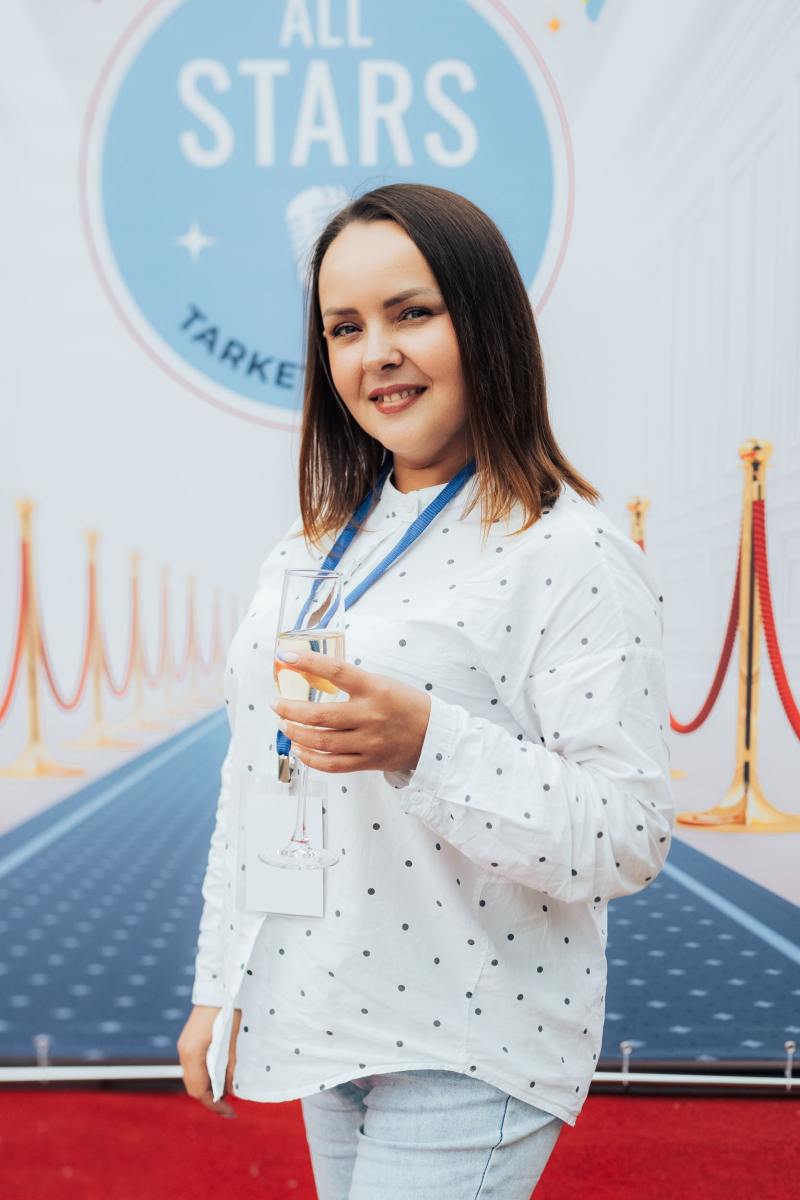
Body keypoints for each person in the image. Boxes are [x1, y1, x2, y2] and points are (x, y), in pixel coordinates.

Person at [177, 182, 675, 1198]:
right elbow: (259, 772)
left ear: (485, 321)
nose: (376, 354)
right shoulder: (314, 544)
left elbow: (627, 833)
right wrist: (220, 983)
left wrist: (425, 744)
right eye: (344, 327)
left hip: (470, 1032)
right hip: (327, 1016)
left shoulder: (567, 551)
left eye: (411, 313)